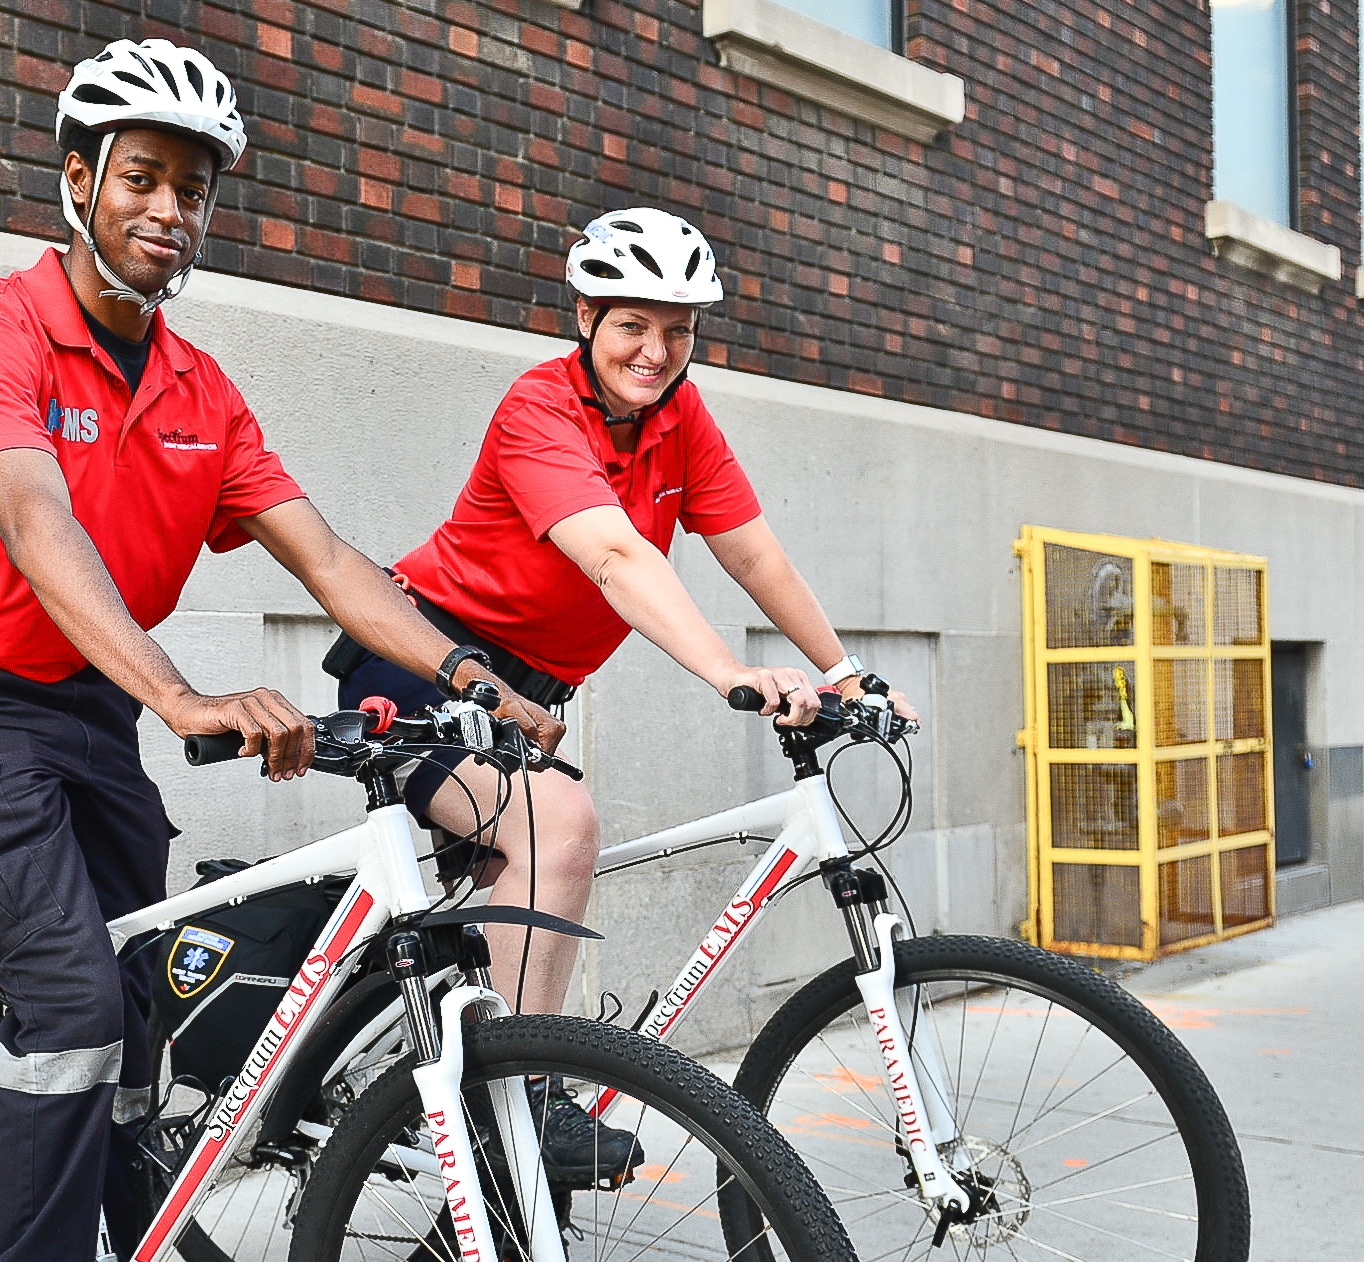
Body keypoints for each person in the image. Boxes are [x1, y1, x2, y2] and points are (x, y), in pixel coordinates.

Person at [0, 38, 559, 1262]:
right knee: (69, 1002)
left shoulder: (199, 388)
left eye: (193, 187)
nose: (170, 208)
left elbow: (333, 563)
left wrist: (473, 683)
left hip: (89, 718)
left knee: (135, 1056)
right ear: (78, 181)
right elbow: (38, 526)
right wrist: (177, 689)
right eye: (142, 176)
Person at [334, 208, 923, 1081]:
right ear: (585, 319)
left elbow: (753, 552)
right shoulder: (538, 407)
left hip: (528, 696)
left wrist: (844, 672)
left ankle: (485, 1131)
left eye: (677, 332)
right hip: (423, 662)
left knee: (522, 872)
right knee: (561, 830)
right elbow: (613, 556)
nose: (655, 351)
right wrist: (728, 671)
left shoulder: (681, 418)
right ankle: (517, 1104)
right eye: (633, 326)